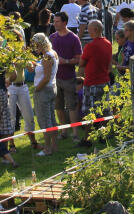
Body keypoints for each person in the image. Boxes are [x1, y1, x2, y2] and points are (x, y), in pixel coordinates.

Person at [50, 12, 82, 141]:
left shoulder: (73, 38)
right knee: (58, 106)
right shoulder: (52, 37)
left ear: (64, 23)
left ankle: (75, 133)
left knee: (71, 106)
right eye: (54, 21)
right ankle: (64, 130)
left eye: (57, 21)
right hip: (55, 78)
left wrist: (66, 61)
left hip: (69, 77)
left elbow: (79, 59)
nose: (54, 23)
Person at [6, 27, 39, 150]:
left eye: (16, 40)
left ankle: (33, 142)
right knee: (11, 118)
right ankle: (11, 144)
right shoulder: (4, 53)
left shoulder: (22, 52)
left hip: (23, 86)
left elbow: (30, 69)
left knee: (29, 116)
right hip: (10, 87)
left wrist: (28, 60)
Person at [79, 19, 113, 132]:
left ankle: (87, 138)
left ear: (95, 30)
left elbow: (81, 63)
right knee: (104, 109)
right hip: (104, 80)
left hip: (92, 82)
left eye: (89, 29)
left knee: (89, 111)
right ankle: (105, 134)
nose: (88, 31)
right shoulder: (108, 43)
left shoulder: (90, 46)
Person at [30, 32, 59, 156]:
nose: (35, 48)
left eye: (36, 45)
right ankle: (54, 146)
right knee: (51, 119)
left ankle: (47, 149)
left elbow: (46, 77)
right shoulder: (52, 53)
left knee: (44, 121)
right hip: (51, 88)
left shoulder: (47, 56)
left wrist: (37, 89)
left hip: (44, 90)